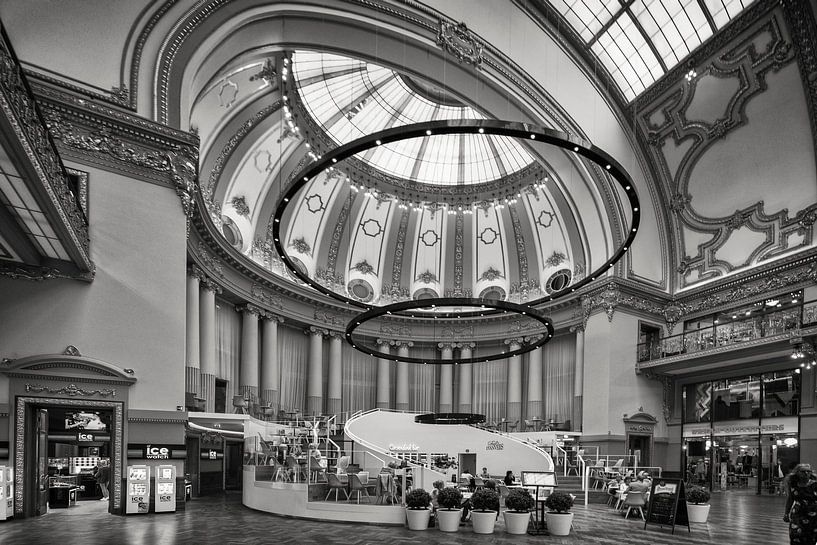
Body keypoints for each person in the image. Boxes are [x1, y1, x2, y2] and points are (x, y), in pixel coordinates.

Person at [783, 463, 817, 544]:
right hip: (798, 513)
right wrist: (786, 513)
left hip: (814, 515)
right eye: (803, 471)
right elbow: (790, 499)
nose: (806, 473)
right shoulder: (793, 484)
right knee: (795, 535)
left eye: (808, 471)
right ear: (797, 473)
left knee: (811, 538)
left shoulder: (815, 484)